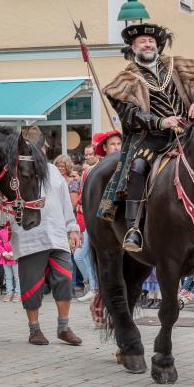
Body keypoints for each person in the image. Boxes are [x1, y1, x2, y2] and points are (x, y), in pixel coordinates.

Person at [100, 10, 194, 252]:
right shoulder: (124, 80)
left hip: (189, 132)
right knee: (138, 167)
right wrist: (161, 122)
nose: (148, 44)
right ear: (133, 47)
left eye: (151, 41)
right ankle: (134, 228)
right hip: (152, 138)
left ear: (158, 46)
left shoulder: (177, 65)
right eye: (142, 41)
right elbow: (130, 114)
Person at [5, 163, 81, 347]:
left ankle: (64, 327)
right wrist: (6, 221)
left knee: (64, 279)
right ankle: (34, 329)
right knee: (32, 285)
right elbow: (5, 203)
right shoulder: (13, 172)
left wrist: (72, 227)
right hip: (29, 236)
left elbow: (64, 200)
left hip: (57, 233)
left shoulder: (53, 170)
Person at [76, 130, 121, 303]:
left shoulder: (129, 166)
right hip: (98, 223)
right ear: (105, 147)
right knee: (86, 256)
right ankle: (97, 291)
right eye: (113, 144)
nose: (116, 147)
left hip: (120, 221)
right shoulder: (92, 171)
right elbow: (84, 199)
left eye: (119, 144)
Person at [0, 225, 17, 302]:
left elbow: (18, 243)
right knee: (8, 276)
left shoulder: (16, 230)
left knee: (17, 276)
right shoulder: (1, 231)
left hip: (15, 256)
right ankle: (9, 292)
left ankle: (18, 292)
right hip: (5, 258)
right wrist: (5, 253)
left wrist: (12, 253)